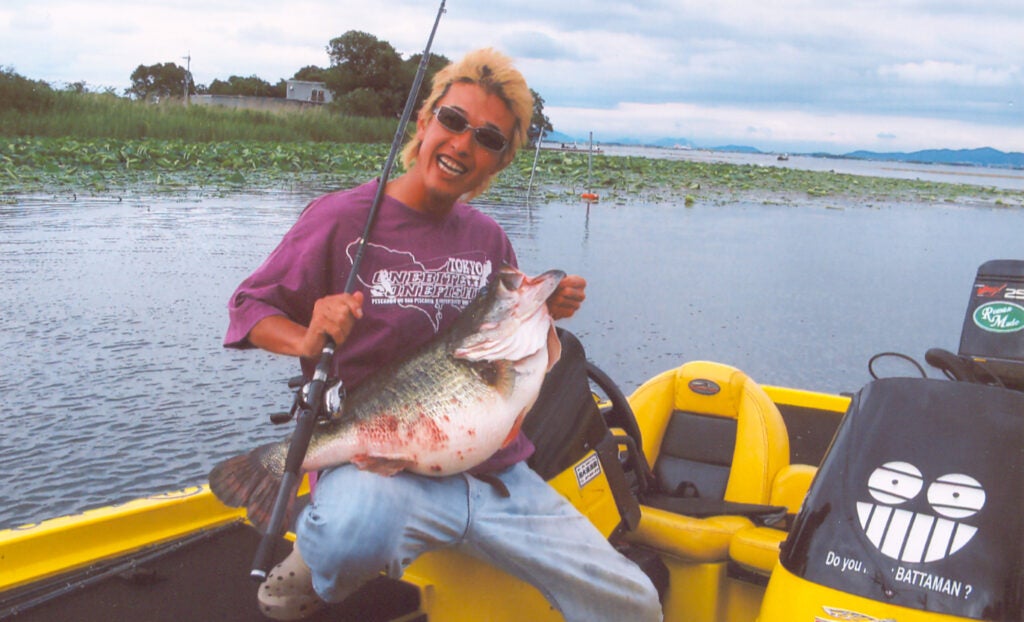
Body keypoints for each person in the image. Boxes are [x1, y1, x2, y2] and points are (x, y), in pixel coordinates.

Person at [224, 48, 662, 622]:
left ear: (499, 163)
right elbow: (249, 307)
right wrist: (307, 338)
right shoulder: (340, 219)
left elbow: (511, 344)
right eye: (453, 121)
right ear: (425, 120)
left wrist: (543, 310)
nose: (462, 145)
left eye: (488, 138)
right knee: (348, 534)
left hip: (499, 479)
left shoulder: (488, 241)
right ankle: (319, 550)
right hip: (380, 471)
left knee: (636, 604)